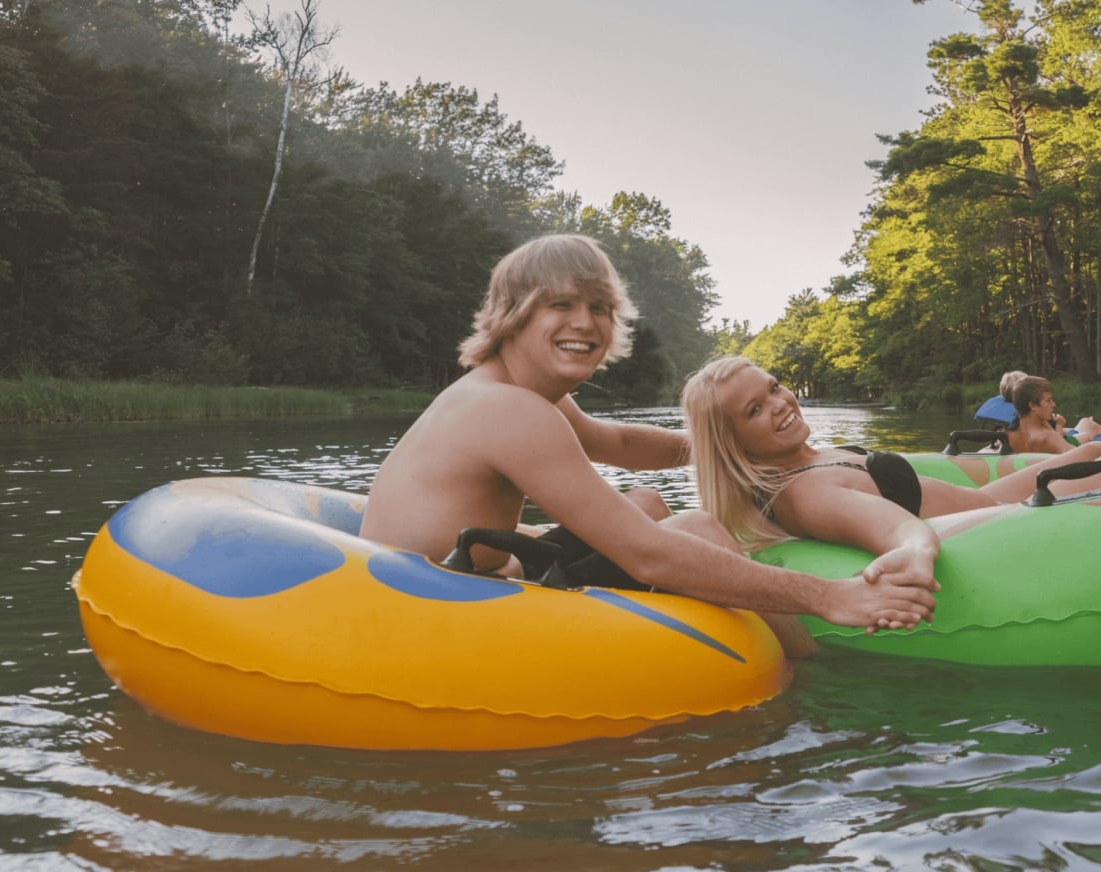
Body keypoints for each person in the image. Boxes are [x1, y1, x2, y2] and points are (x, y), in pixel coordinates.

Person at [359, 235, 937, 655]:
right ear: (513, 316)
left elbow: (617, 441)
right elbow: (649, 555)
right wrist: (827, 596)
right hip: (429, 610)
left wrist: (726, 444)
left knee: (645, 500)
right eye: (561, 305)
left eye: (599, 307)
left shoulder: (514, 392)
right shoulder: (508, 411)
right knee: (698, 531)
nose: (585, 323)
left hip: (469, 569)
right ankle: (815, 687)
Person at [680, 357, 1101, 589]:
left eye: (775, 388)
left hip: (979, 493)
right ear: (732, 439)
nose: (782, 405)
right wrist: (915, 550)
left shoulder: (808, 458)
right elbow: (889, 530)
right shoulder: (807, 491)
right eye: (755, 410)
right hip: (985, 521)